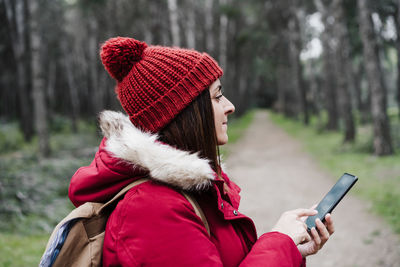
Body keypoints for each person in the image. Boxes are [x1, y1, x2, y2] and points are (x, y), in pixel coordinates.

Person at [68, 36, 334, 266]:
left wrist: (291, 251)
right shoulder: (151, 209)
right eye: (217, 96)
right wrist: (280, 242)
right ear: (185, 113)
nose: (229, 106)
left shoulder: (184, 193)